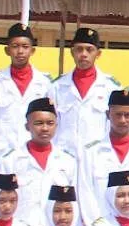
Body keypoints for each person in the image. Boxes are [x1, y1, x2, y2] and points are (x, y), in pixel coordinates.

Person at [77, 90, 129, 226]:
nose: (123, 120)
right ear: (108, 115)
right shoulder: (92, 152)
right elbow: (86, 192)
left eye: (127, 115)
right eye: (118, 115)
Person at [0, 98, 77, 226]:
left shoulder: (68, 161)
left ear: (56, 126)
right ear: (27, 126)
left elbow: (74, 203)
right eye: (39, 123)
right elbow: (2, 200)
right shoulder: (10, 161)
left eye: (50, 123)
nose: (45, 128)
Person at [48, 27, 120, 156]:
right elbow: (50, 123)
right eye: (79, 49)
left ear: (98, 54)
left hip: (98, 156)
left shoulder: (111, 87)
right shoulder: (57, 86)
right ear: (72, 52)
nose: (84, 54)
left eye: (89, 49)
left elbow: (115, 126)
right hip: (64, 156)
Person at [0, 22, 52, 152]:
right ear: (7, 50)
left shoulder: (45, 83)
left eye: (25, 46)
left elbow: (51, 122)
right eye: (15, 46)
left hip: (33, 153)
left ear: (32, 50)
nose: (20, 51)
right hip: (1, 153)